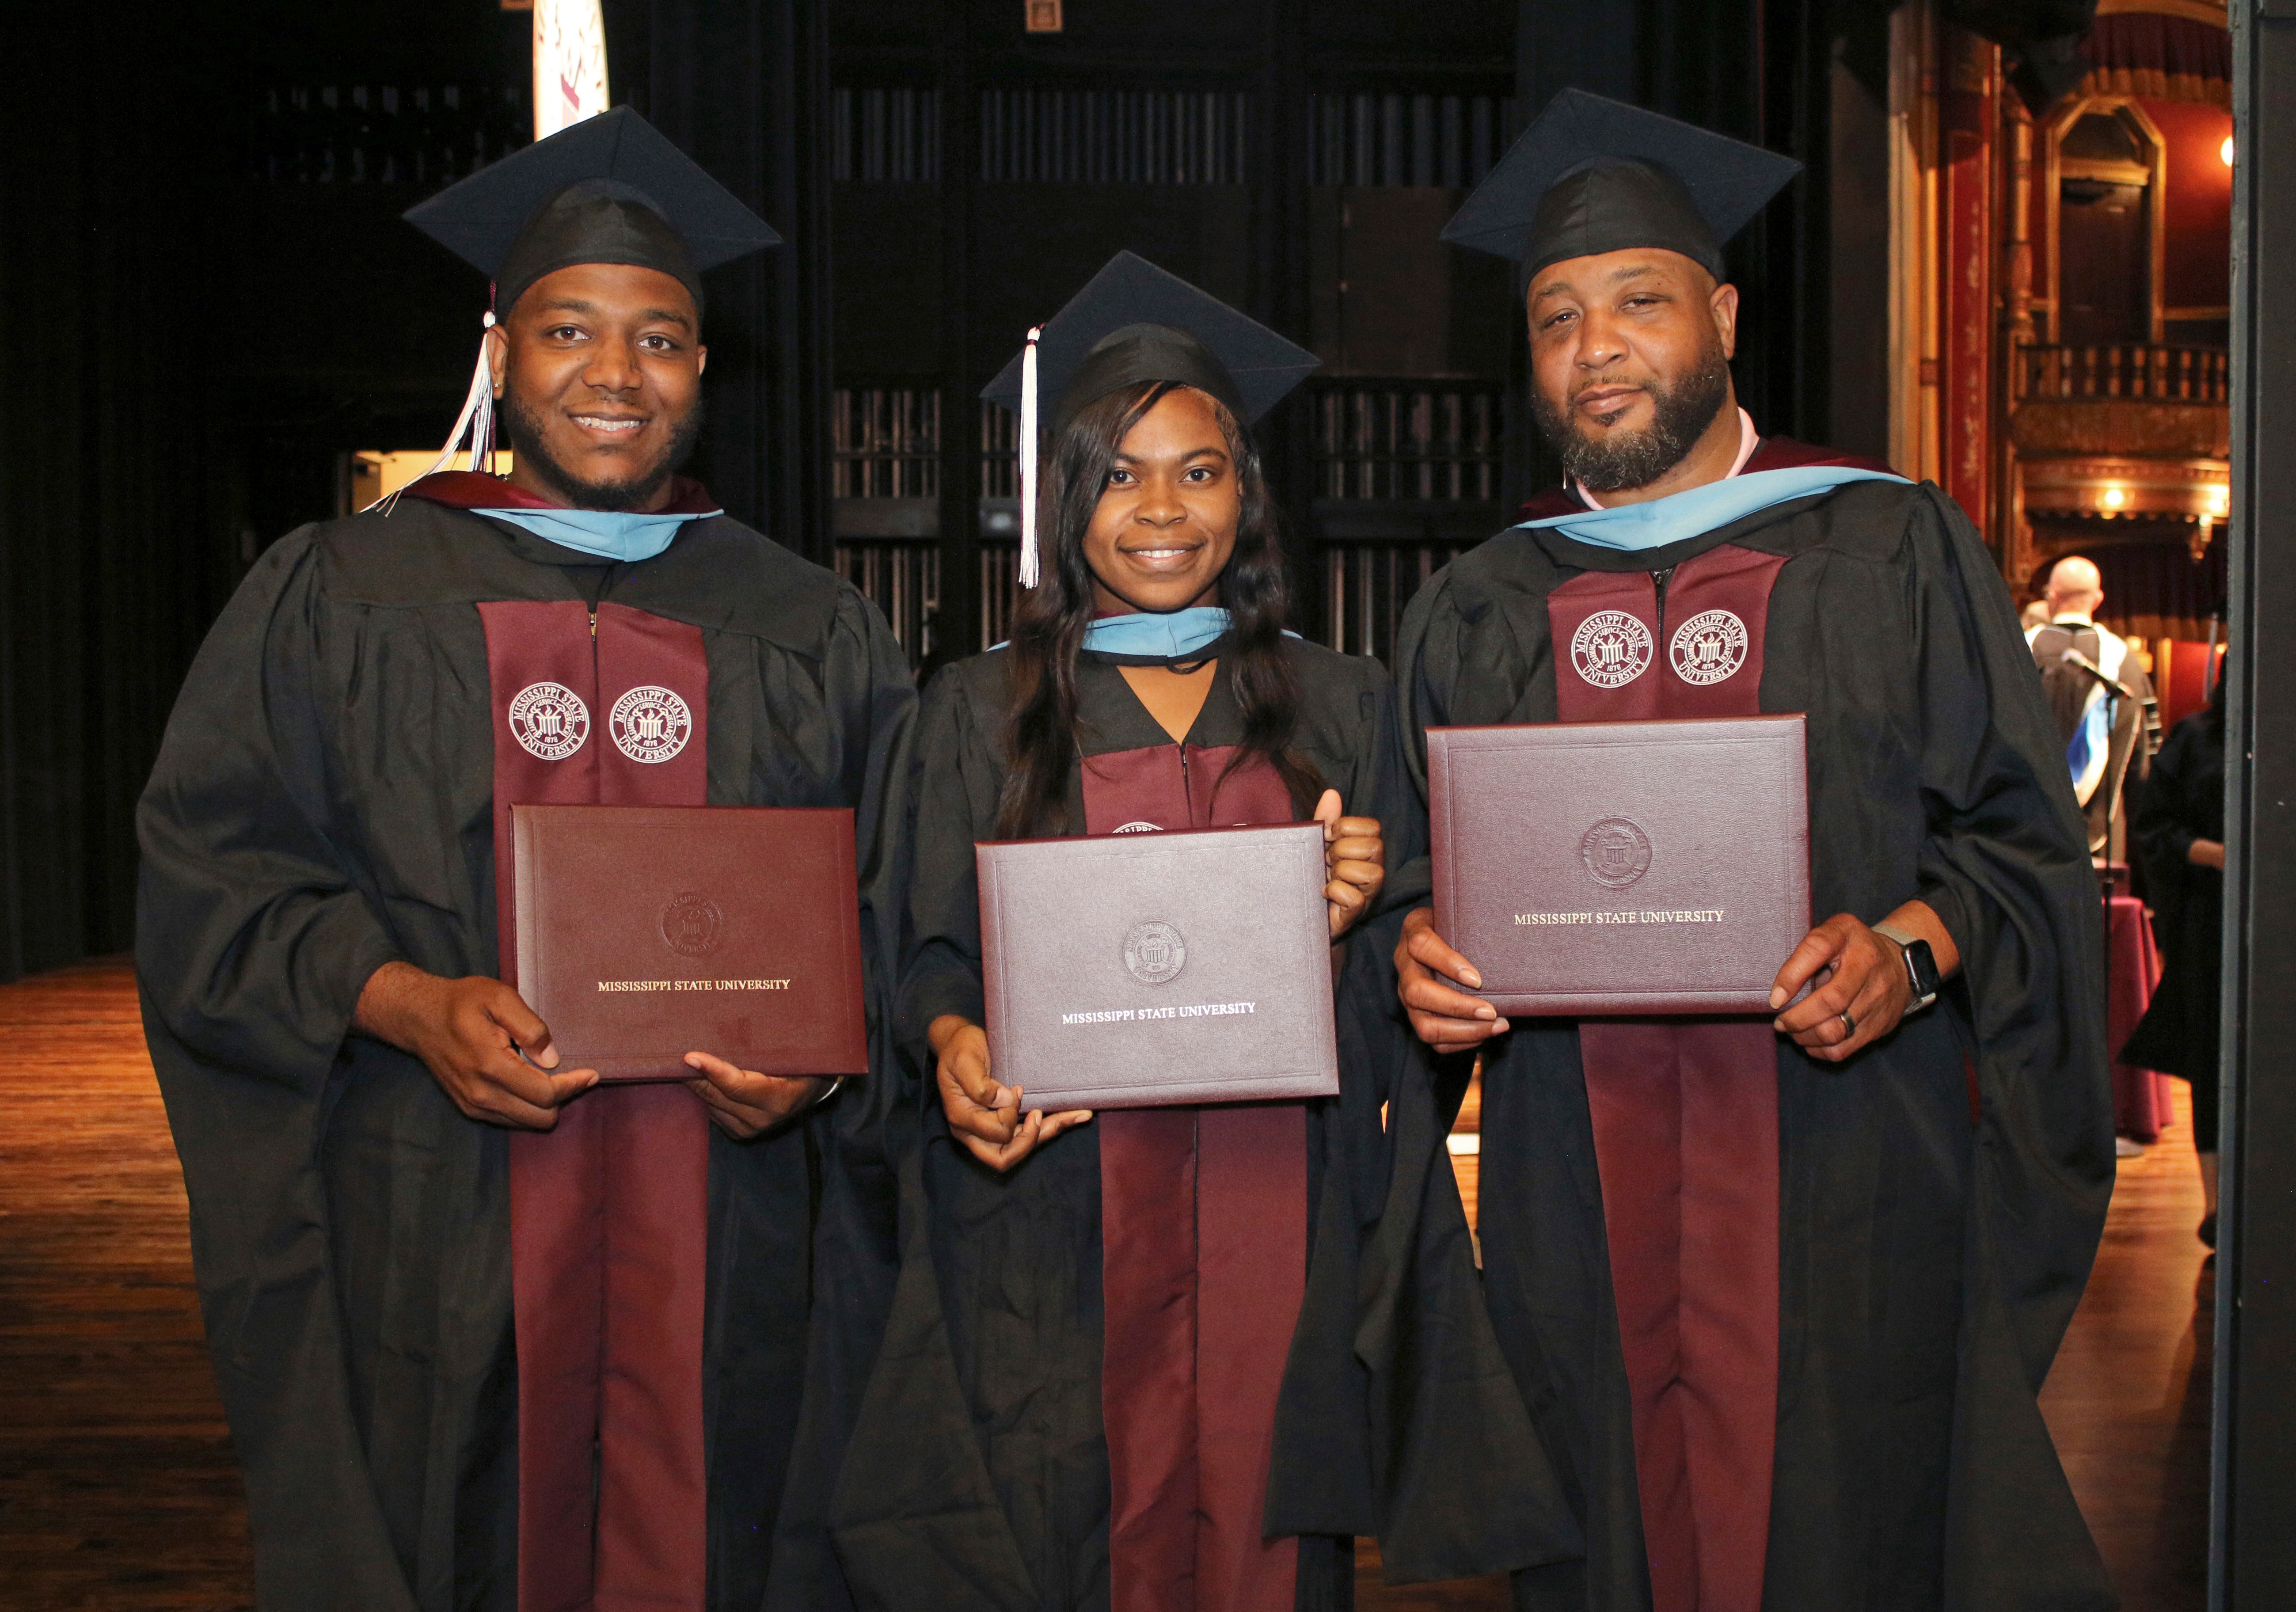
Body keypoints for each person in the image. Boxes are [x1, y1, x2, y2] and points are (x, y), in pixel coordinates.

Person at [136, 109, 915, 1612]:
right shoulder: (345, 590)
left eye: (659, 339)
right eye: (570, 329)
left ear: (700, 368)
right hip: (437, 1215)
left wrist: (826, 1057)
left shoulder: (810, 623)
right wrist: (398, 997)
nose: (615, 374)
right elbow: (213, 874)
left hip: (728, 1236)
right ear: (500, 349)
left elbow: (897, 906)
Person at [1386, 91, 2116, 1610]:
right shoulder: (1476, 602)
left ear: (1718, 312)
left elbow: (2020, 850)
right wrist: (1412, 959)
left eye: (1636, 302)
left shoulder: (1884, 546)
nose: (1594, 348)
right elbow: (1407, 880)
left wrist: (1913, 948)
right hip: (1568, 1210)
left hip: (1840, 1188)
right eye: (1554, 316)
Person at [825, 253, 1556, 1610]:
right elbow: (919, 950)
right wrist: (949, 1045)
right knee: (1061, 1534)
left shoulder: (1348, 706)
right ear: (1064, 499)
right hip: (1046, 1229)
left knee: (1265, 1549)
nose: (1160, 510)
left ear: (1248, 494)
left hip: (1277, 1222)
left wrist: (1363, 929)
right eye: (1117, 473)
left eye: (1200, 470)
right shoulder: (969, 716)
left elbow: (1423, 984)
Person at [2123, 659, 2227, 1247]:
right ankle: (2216, 1209)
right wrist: (2210, 853)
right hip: (2209, 922)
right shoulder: (2193, 740)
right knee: (2213, 1061)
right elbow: (2156, 827)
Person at [2026, 554, 2157, 863]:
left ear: (2052, 595)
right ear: (2098, 599)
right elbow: (2144, 759)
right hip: (2104, 835)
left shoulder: (2022, 650)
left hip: (2028, 833)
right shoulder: (2124, 661)